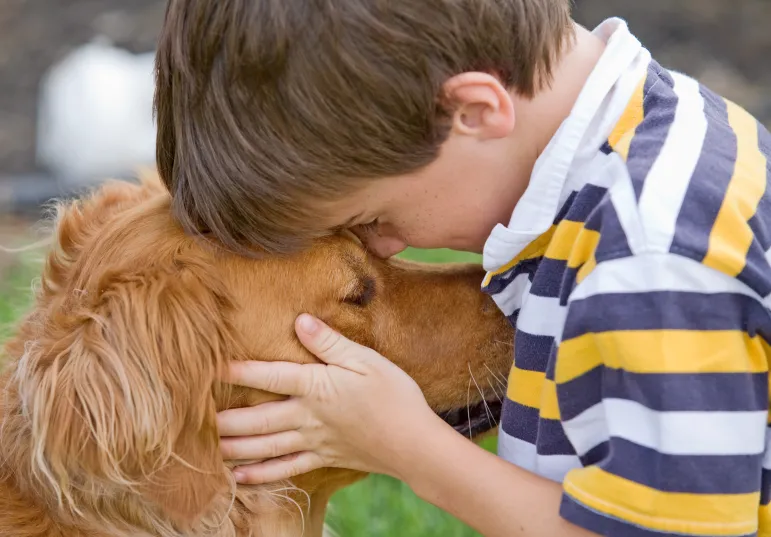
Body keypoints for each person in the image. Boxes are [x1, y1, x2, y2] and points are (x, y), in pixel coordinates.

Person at [153, 1, 771, 535]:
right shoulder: (662, 137)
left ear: (473, 112)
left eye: (373, 219)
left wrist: (412, 449)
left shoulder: (649, 257)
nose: (389, 247)